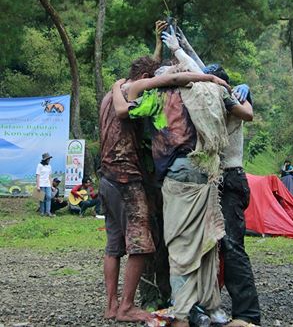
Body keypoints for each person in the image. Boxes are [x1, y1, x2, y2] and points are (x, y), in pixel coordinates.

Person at [113, 30, 251, 327]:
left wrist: (129, 86)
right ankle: (213, 307)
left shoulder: (161, 97)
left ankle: (186, 311)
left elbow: (127, 107)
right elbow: (237, 104)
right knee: (206, 242)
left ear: (169, 77)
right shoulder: (209, 92)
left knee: (179, 244)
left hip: (177, 174)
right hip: (208, 175)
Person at [100, 51, 227, 324]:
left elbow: (130, 101)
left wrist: (117, 83)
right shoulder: (201, 93)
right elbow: (179, 78)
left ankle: (117, 306)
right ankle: (203, 306)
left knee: (123, 245)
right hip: (148, 177)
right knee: (177, 243)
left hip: (110, 178)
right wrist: (208, 76)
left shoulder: (115, 95)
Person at [204, 64, 261, 327]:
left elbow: (247, 113)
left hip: (231, 176)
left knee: (232, 245)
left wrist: (244, 91)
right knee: (213, 245)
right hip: (217, 179)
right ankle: (208, 305)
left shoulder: (231, 100)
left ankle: (248, 314)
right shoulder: (209, 102)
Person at [36, 152, 55, 217]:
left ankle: (48, 212)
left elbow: (50, 176)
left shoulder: (49, 166)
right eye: (48, 158)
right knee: (42, 198)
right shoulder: (39, 165)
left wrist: (51, 185)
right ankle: (42, 212)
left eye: (49, 158)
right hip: (41, 184)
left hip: (48, 184)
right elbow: (38, 176)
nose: (49, 159)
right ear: (45, 159)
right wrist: (38, 186)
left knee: (49, 197)